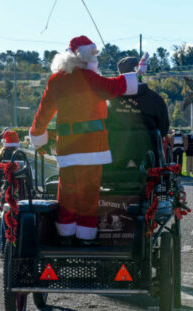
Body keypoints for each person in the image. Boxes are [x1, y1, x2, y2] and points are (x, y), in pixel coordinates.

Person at [29, 35, 142, 243]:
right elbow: (113, 87)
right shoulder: (90, 78)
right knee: (90, 193)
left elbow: (43, 112)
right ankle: (85, 235)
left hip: (68, 146)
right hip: (92, 145)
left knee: (67, 192)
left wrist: (37, 136)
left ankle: (65, 234)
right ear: (86, 56)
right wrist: (135, 75)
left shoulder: (56, 80)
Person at [105, 56, 170, 167]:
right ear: (139, 73)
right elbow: (163, 130)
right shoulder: (156, 99)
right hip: (149, 160)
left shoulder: (110, 100)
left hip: (115, 161)